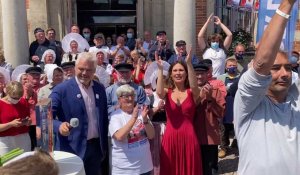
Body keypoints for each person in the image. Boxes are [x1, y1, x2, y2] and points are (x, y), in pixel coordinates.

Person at [234, 0, 299, 174]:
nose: (284, 73)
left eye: (289, 68)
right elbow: (262, 62)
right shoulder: (249, 102)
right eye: (276, 68)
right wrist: (287, 4)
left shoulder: (296, 100)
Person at [50, 52, 108, 175]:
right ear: (75, 68)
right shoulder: (61, 89)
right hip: (72, 148)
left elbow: (103, 117)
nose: (85, 73)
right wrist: (59, 126)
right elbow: (45, 116)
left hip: (96, 148)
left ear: (94, 70)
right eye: (81, 69)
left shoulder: (100, 88)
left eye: (89, 70)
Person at [156, 48, 202, 175]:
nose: (178, 73)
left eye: (181, 70)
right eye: (175, 70)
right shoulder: (167, 92)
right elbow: (159, 92)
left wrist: (188, 63)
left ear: (186, 74)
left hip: (189, 137)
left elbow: (194, 86)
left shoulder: (192, 92)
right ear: (170, 74)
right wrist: (160, 70)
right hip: (170, 137)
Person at [109, 84, 154, 175]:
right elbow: (120, 136)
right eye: (126, 96)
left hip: (144, 167)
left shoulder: (142, 112)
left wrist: (145, 120)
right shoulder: (115, 116)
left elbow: (151, 135)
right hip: (125, 169)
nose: (130, 99)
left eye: (132, 95)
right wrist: (133, 118)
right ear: (119, 99)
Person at [193, 61, 226, 175]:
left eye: (202, 73)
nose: (199, 76)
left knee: (211, 167)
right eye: (197, 73)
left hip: (210, 136)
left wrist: (210, 98)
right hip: (193, 135)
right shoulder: (189, 91)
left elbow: (221, 113)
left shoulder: (215, 90)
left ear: (207, 74)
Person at [0, 81, 32, 155]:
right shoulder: (1, 104)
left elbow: (28, 118)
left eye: (19, 97)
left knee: (25, 163)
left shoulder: (23, 102)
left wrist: (27, 122)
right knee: (7, 165)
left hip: (23, 138)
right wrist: (11, 124)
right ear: (7, 92)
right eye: (14, 97)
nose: (16, 99)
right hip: (5, 141)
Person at [217, 57, 240, 158]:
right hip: (225, 106)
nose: (232, 67)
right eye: (230, 65)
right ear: (226, 67)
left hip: (237, 105)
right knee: (223, 128)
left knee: (238, 126)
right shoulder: (220, 78)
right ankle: (223, 147)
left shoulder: (241, 77)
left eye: (234, 66)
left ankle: (238, 144)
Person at [25, 66, 43, 151]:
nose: (36, 76)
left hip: (43, 121)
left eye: (37, 74)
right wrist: (28, 95)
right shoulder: (22, 88)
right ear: (27, 76)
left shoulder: (44, 87)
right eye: (33, 74)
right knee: (31, 147)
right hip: (29, 123)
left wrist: (33, 93)